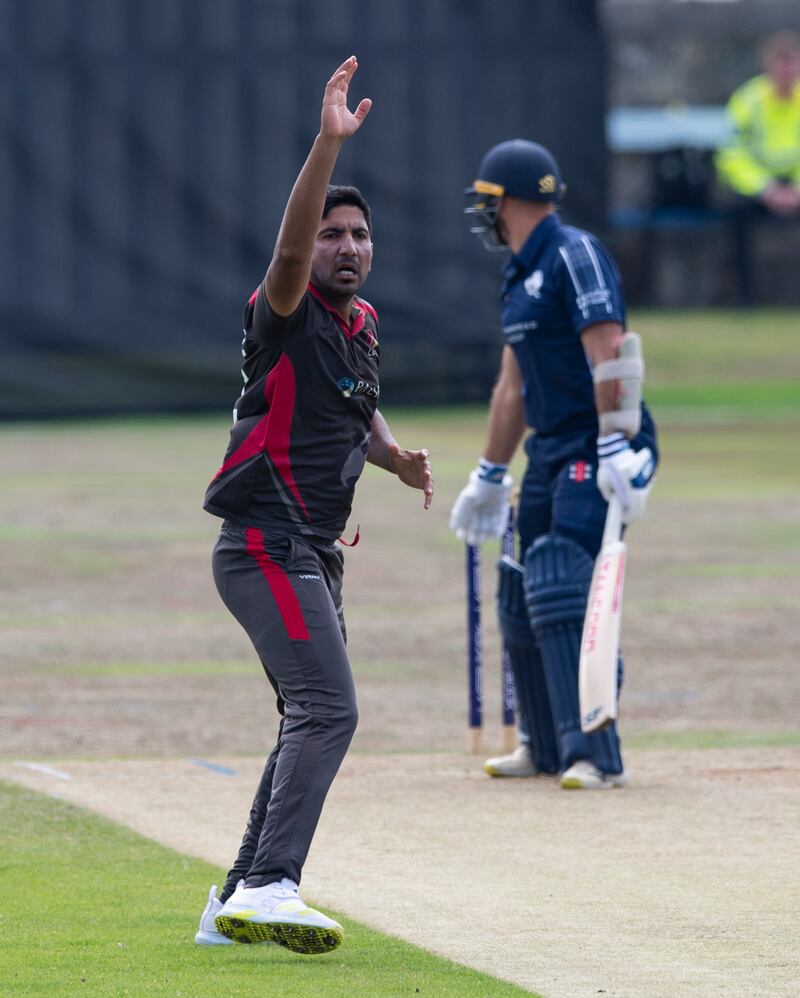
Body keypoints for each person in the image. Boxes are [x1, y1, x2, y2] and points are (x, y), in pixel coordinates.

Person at [194, 56, 433, 954]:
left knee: (307, 713)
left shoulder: (360, 325)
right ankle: (272, 884)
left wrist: (394, 458)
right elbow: (289, 255)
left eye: (359, 235)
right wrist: (327, 148)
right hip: (264, 544)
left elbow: (354, 406)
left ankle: (232, 902)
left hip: (312, 551)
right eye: (334, 233)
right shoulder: (285, 304)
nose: (346, 246)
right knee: (330, 710)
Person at [450, 139, 657, 790]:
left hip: (597, 442)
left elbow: (612, 351)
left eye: (488, 203)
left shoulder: (576, 254)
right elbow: (512, 388)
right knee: (520, 586)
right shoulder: (519, 272)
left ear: (508, 201)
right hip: (548, 446)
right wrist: (488, 474)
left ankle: (594, 751)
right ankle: (542, 743)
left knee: (563, 578)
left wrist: (618, 442)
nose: (484, 215)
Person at [715, 30, 800, 304]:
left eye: (792, 63)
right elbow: (730, 153)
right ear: (769, 65)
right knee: (734, 213)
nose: (786, 70)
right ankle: (743, 297)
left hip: (796, 185)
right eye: (781, 63)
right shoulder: (748, 100)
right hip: (760, 187)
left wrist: (796, 189)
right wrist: (767, 189)